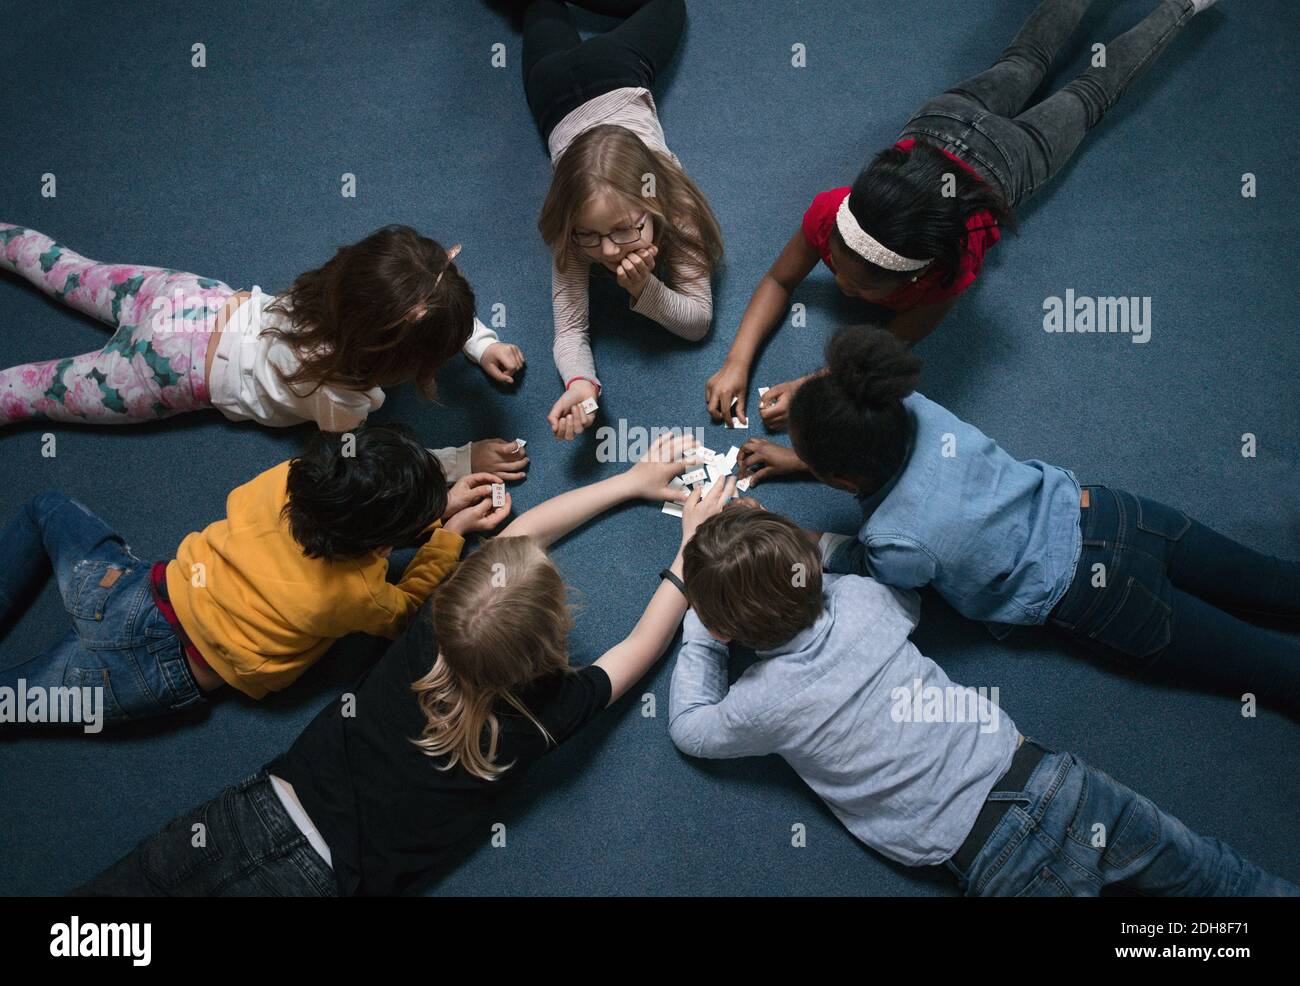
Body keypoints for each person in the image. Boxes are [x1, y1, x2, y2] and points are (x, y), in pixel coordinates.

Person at [73, 435, 734, 895]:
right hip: (326, 881)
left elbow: (518, 539)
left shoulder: (424, 631)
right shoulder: (537, 715)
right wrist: (690, 555)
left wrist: (626, 482)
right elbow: (638, 648)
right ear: (551, 647)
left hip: (258, 808)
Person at [669, 502, 1297, 896]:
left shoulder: (760, 705)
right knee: (1211, 875)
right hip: (1052, 780)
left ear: (725, 628)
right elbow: (899, 590)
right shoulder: (864, 605)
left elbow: (691, 729)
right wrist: (805, 551)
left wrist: (703, 626)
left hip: (990, 859)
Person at [706, 0, 1222, 430]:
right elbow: (779, 278)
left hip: (1011, 158)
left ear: (918, 272)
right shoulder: (832, 212)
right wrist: (737, 362)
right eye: (837, 267)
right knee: (1025, 59)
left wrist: (815, 386)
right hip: (944, 117)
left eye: (863, 290)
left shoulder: (950, 267)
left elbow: (899, 334)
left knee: (1087, 94)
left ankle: (1182, 6)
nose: (841, 287)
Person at [737, 325, 1299, 715]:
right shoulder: (916, 408)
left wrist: (804, 539)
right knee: (1272, 580)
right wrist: (806, 443)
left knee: (1268, 668)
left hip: (1097, 597)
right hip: (1116, 513)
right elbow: (868, 425)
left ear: (838, 480)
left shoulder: (894, 541)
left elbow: (868, 562)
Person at [0, 423, 508, 727]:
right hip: (154, 676)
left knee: (47, 508)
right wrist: (449, 530)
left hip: (131, 594)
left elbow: (353, 517)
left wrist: (435, 506)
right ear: (381, 545)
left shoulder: (290, 477)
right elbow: (407, 608)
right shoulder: (357, 594)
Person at [0, 222, 529, 481]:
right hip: (165, 374)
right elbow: (371, 462)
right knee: (34, 391)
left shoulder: (337, 287)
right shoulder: (340, 396)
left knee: (64, 267)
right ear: (395, 359)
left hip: (189, 298)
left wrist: (478, 343)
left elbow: (411, 304)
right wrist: (461, 459)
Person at [522, 0, 724, 440]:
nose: (609, 251)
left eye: (623, 230)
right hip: (553, 92)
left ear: (652, 206)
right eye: (592, 236)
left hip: (618, 69)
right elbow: (569, 330)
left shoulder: (675, 204)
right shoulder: (573, 232)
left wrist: (645, 289)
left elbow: (698, 323)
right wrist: (580, 383)